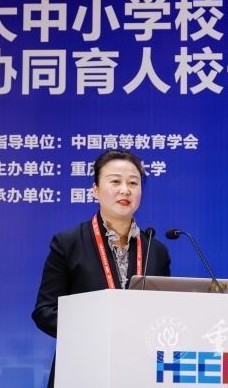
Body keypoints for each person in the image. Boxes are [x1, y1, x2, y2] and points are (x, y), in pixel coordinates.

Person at [32, 149, 171, 388]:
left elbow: (164, 314)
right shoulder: (68, 243)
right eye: (115, 181)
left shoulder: (156, 250)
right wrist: (99, 329)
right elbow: (45, 312)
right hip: (82, 369)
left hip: (140, 371)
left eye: (133, 183)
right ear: (95, 190)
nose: (125, 190)